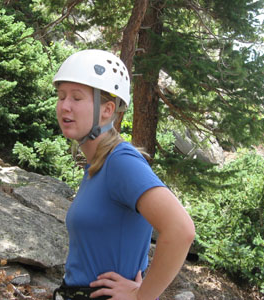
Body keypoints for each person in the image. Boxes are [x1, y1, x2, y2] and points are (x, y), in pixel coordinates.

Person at [52, 49, 195, 300]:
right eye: (61, 96)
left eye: (76, 98)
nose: (64, 106)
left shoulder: (121, 162)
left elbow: (181, 229)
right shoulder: (97, 165)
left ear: (107, 110)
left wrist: (142, 296)